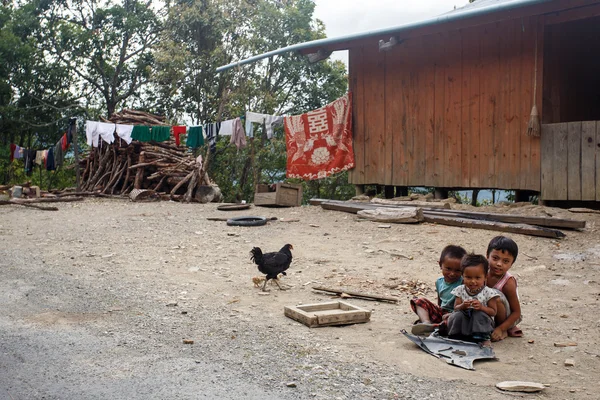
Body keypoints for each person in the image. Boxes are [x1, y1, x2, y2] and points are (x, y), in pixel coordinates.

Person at [410, 245, 466, 335]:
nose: (452, 273)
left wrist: (452, 314)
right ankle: (426, 323)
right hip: (441, 313)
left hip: (455, 315)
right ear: (440, 265)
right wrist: (435, 312)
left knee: (453, 321)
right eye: (448, 269)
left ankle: (437, 328)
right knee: (419, 301)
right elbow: (440, 302)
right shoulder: (439, 282)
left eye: (457, 270)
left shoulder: (463, 282)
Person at [447, 253, 499, 347]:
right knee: (457, 315)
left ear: (485, 277)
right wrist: (462, 306)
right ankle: (456, 336)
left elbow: (493, 312)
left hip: (482, 324)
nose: (473, 281)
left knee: (478, 314)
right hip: (465, 322)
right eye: (468, 277)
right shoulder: (460, 290)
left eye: (478, 278)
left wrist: (481, 307)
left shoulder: (489, 292)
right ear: (463, 276)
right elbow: (455, 308)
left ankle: (483, 338)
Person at [486, 235, 523, 341]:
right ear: (487, 255)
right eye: (495, 258)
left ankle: (502, 330)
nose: (499, 264)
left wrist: (500, 328)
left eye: (505, 261)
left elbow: (516, 313)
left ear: (511, 264)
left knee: (494, 295)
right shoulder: (482, 271)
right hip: (490, 311)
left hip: (509, 317)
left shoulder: (508, 283)